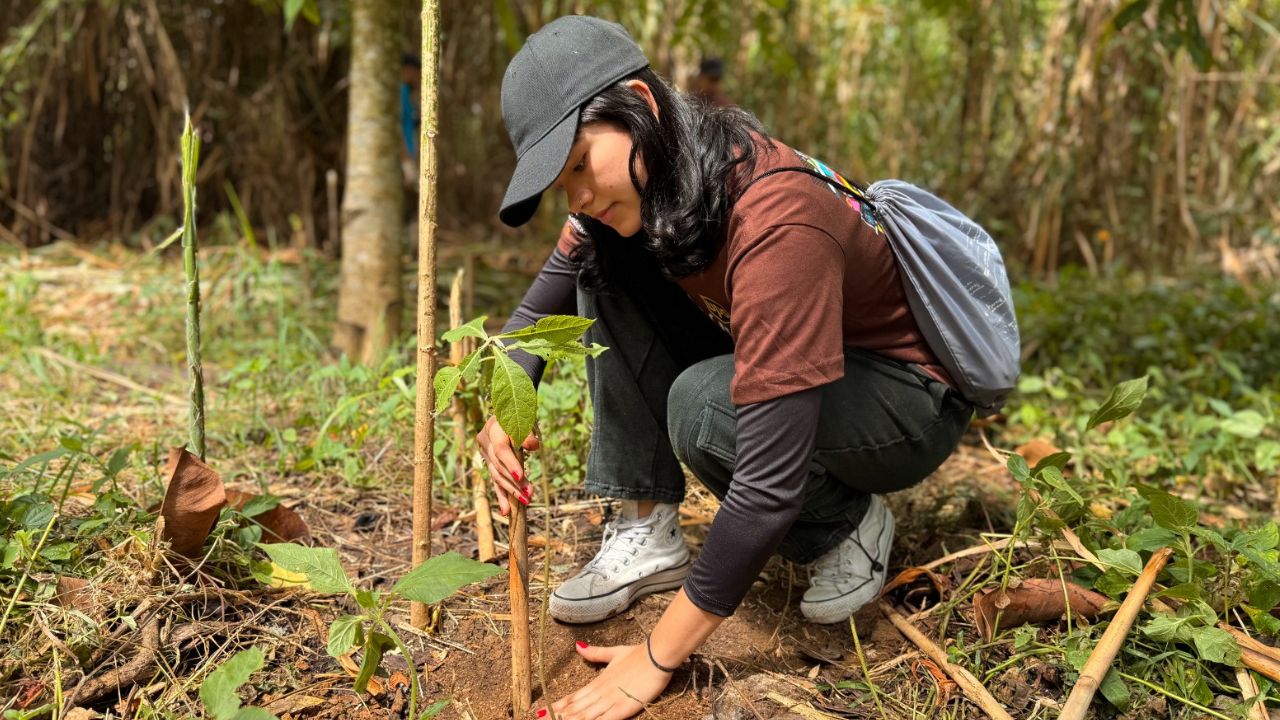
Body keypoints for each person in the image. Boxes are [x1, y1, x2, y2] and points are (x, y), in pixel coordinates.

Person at [477, 16, 973, 720]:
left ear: (642, 110)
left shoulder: (777, 218)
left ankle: (844, 526)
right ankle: (645, 522)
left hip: (905, 399)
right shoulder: (663, 178)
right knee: (603, 263)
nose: (578, 195)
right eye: (563, 183)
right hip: (816, 365)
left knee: (705, 405)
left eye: (582, 165)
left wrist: (653, 661)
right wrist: (506, 408)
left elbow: (767, 486)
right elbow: (537, 313)